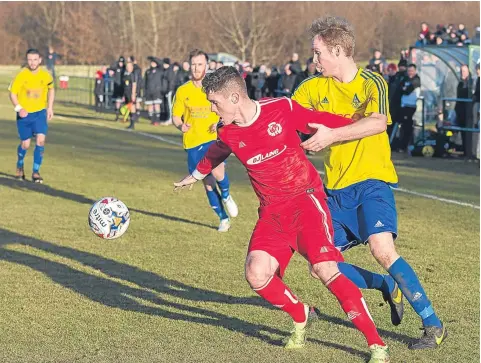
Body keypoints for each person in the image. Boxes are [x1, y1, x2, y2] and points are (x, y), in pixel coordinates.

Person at [174, 66, 391, 362]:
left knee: (326, 270)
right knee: (255, 272)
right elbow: (218, 150)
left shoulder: (281, 108)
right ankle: (302, 314)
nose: (212, 109)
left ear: (235, 96)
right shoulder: (228, 130)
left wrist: (356, 124)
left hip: (306, 204)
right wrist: (196, 175)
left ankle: (376, 344)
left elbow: (324, 122)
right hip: (271, 215)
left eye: (215, 102)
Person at [292, 16, 446, 349]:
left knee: (382, 249)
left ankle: (433, 325)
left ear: (337, 50)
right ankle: (384, 286)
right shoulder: (310, 88)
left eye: (318, 53)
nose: (313, 60)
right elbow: (286, 118)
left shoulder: (371, 82)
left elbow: (377, 123)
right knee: (320, 264)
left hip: (371, 184)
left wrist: (332, 133)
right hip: (334, 191)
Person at [172, 50, 238, 232]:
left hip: (212, 138)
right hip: (192, 143)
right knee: (208, 185)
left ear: (207, 66)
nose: (196, 68)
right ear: (189, 66)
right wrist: (180, 126)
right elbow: (176, 116)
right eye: (193, 64)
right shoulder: (183, 90)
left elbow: (227, 111)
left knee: (218, 171)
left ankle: (226, 195)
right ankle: (223, 218)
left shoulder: (214, 88)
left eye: (200, 64)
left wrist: (218, 123)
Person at [9, 48, 55, 184]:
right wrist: (19, 108)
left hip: (40, 112)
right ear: (27, 60)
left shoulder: (46, 75)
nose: (32, 62)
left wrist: (50, 107)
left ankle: (36, 171)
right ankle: (19, 165)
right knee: (25, 144)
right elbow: (12, 93)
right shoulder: (21, 75)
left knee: (41, 141)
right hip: (25, 114)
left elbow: (51, 89)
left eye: (35, 59)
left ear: (40, 60)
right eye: (30, 59)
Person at [123, 61, 140, 130]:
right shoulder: (126, 74)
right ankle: (130, 123)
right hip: (126, 93)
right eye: (127, 67)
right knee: (129, 108)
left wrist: (133, 94)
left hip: (131, 93)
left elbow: (134, 84)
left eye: (130, 66)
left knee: (132, 107)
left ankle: (133, 124)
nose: (128, 68)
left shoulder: (133, 75)